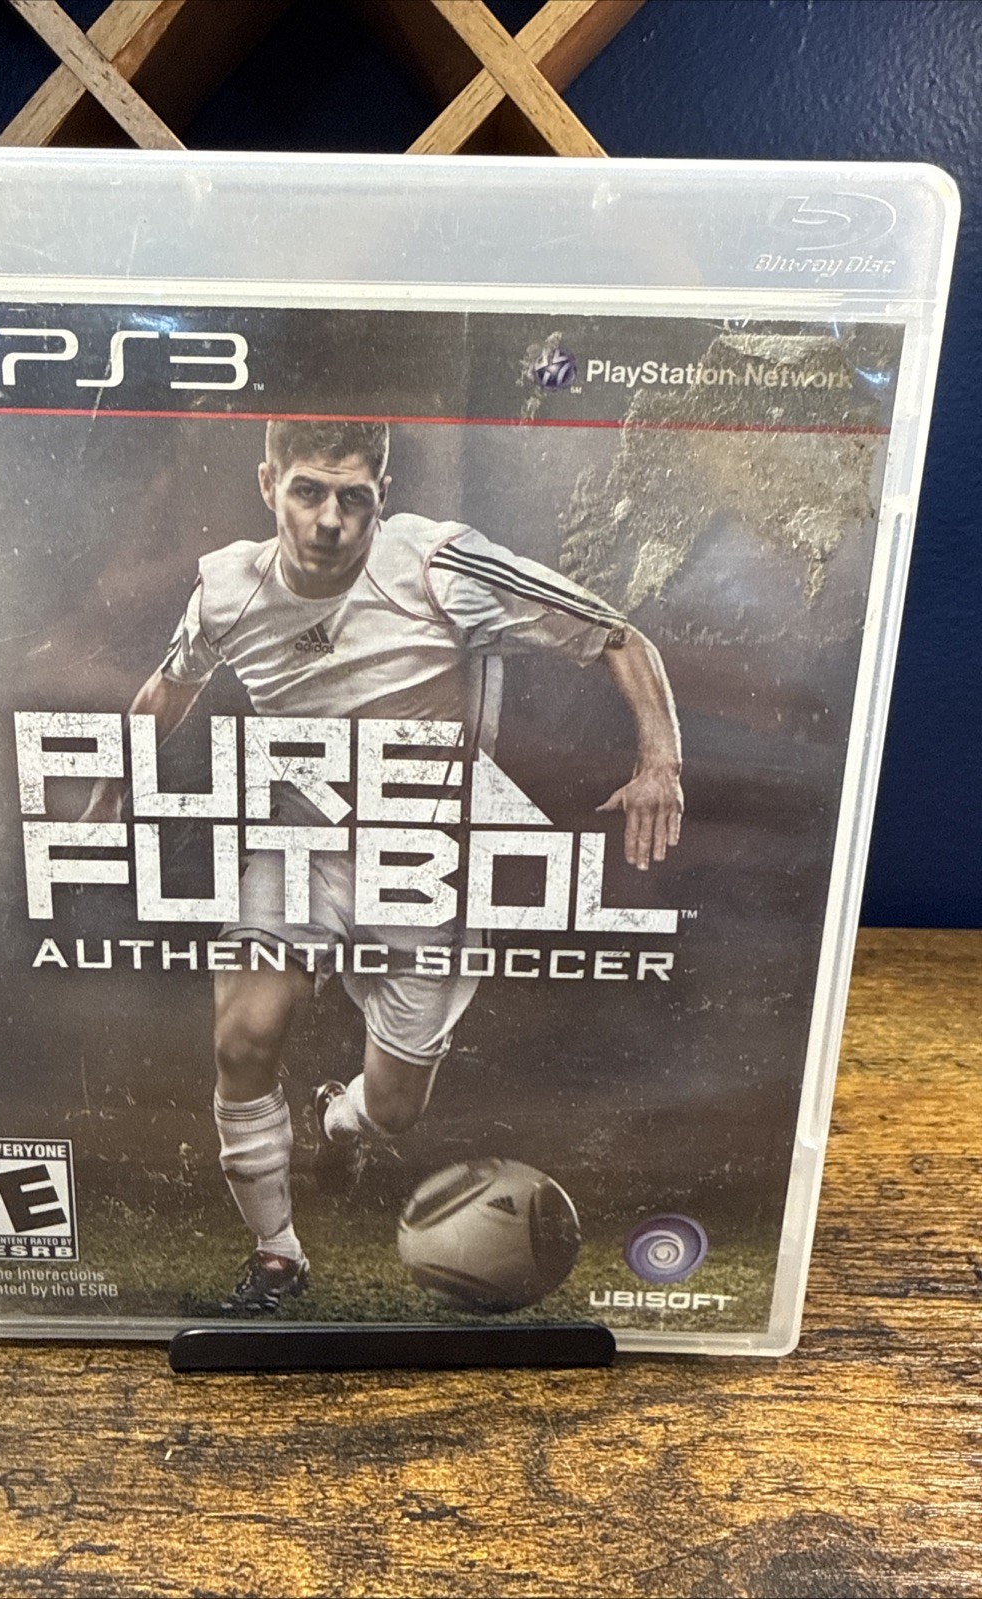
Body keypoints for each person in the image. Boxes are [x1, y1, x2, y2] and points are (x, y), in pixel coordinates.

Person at [83, 418, 683, 1314]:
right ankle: (277, 1255)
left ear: (382, 496)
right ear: (268, 486)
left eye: (352, 498)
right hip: (303, 845)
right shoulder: (226, 589)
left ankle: (340, 1114)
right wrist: (108, 795)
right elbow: (168, 686)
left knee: (396, 1109)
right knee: (242, 1035)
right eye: (307, 492)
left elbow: (616, 633)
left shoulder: (440, 567)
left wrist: (659, 762)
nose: (329, 519)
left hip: (425, 865)